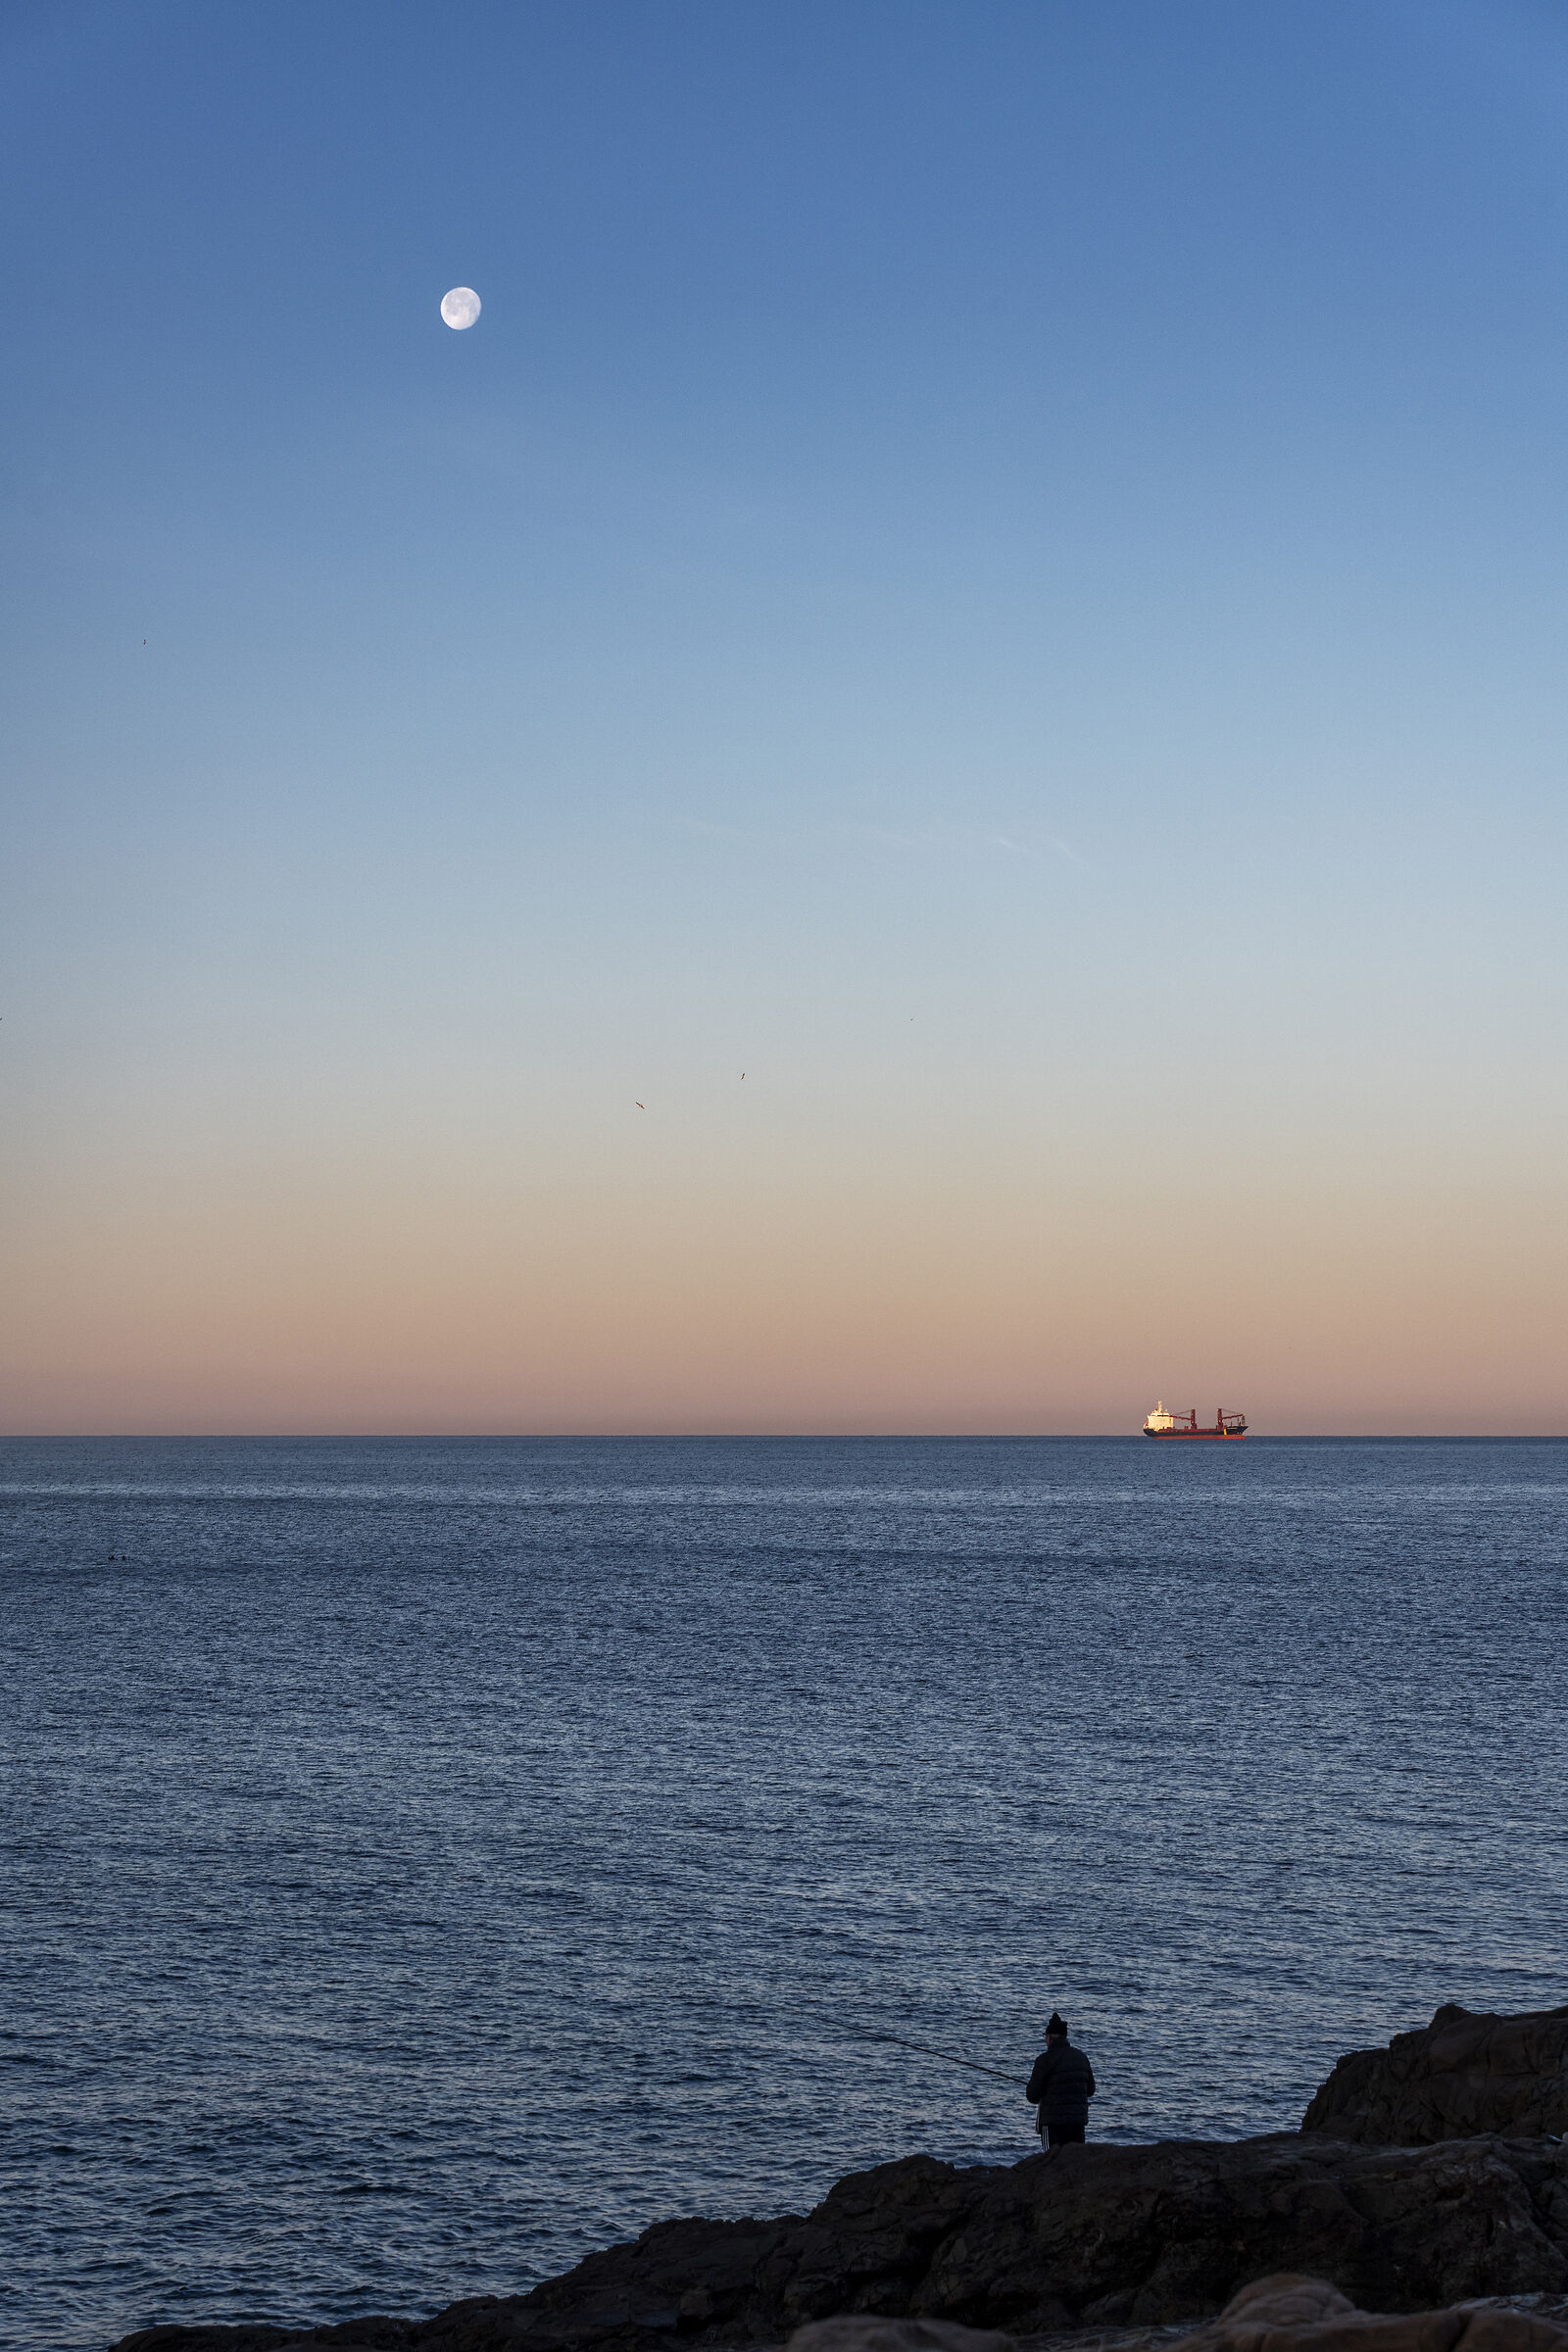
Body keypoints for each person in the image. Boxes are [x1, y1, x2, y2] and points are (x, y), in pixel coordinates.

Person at [1026, 2011, 1096, 2146]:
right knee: (1075, 2162)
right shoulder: (1081, 2057)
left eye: (1045, 2036)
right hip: (1077, 2122)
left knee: (1051, 2162)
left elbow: (1032, 2096)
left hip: (1052, 2123)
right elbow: (1091, 2090)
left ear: (1050, 2038)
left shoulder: (1043, 2060)